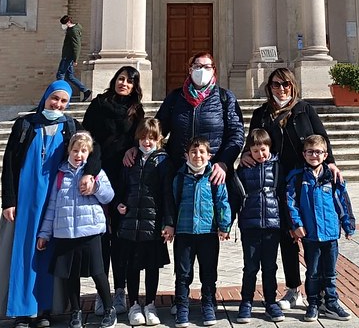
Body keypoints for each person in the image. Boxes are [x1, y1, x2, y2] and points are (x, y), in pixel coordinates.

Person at [241, 66, 342, 311]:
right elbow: (253, 140)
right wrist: (245, 154)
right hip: (276, 181)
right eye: (276, 84)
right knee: (288, 236)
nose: (281, 89)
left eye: (285, 84)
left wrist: (332, 163)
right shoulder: (261, 113)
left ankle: (318, 294)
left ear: (293, 85)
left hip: (304, 181)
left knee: (310, 236)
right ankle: (293, 289)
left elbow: (322, 137)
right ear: (269, 87)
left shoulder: (304, 109)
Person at [0, 81, 77, 328]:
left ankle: (46, 309)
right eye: (54, 99)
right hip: (25, 202)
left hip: (54, 200)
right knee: (23, 253)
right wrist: (9, 201)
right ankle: (23, 311)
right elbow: (10, 165)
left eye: (63, 101)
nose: (57, 104)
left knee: (49, 251)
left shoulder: (70, 126)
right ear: (45, 97)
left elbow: (86, 153)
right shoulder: (25, 125)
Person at [81, 66, 146, 315]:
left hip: (124, 180)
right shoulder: (98, 105)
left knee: (121, 238)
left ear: (134, 86)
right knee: (101, 237)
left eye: (129, 81)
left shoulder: (136, 110)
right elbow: (87, 138)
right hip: (99, 176)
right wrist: (91, 170)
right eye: (121, 79)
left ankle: (120, 291)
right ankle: (102, 291)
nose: (124, 84)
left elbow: (141, 139)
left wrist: (134, 149)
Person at [36, 132, 117, 328]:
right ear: (68, 151)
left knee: (98, 273)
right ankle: (76, 311)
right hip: (65, 233)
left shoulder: (95, 173)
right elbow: (53, 206)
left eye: (83, 151)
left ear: (89, 153)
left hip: (90, 232)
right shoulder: (60, 175)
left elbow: (109, 197)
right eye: (75, 150)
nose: (78, 154)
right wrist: (44, 233)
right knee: (70, 275)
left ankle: (109, 308)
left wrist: (95, 187)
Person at [285, 134, 356, 323]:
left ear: (325, 155)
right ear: (304, 154)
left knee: (331, 272)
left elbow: (342, 202)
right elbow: (291, 204)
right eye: (310, 152)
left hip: (331, 233)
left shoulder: (332, 177)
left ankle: (331, 302)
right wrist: (297, 225)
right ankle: (313, 303)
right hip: (311, 235)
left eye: (318, 152)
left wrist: (348, 224)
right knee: (313, 272)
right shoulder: (298, 178)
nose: (314, 155)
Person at [162, 137, 232, 328]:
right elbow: (172, 202)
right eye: (193, 152)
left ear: (209, 156)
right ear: (187, 155)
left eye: (202, 152)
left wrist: (224, 225)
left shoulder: (214, 178)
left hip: (208, 232)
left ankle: (208, 303)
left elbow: (222, 201)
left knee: (208, 271)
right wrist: (169, 225)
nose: (197, 155)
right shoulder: (180, 177)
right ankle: (182, 305)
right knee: (183, 272)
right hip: (184, 232)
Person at [153, 51, 244, 187]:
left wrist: (224, 163)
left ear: (214, 70)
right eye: (197, 66)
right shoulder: (175, 97)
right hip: (180, 173)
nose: (202, 70)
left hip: (213, 174)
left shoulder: (225, 98)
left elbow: (236, 134)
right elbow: (158, 130)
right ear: (190, 70)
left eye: (207, 67)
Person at [116, 118, 172, 327]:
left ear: (159, 139)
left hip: (153, 224)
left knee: (151, 267)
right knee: (131, 266)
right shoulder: (131, 159)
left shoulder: (164, 161)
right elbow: (123, 187)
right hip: (131, 222)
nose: (146, 142)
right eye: (143, 137)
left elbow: (168, 194)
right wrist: (120, 204)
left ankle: (150, 304)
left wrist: (168, 222)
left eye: (151, 138)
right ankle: (133, 305)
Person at [230, 129, 286, 324]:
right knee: (250, 266)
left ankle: (271, 302)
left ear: (269, 148)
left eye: (263, 149)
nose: (260, 154)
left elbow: (284, 195)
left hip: (272, 224)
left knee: (270, 267)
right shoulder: (244, 170)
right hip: (250, 224)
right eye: (255, 151)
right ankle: (246, 302)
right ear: (249, 152)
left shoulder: (278, 167)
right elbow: (235, 196)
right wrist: (227, 223)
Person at [57, 15, 91, 103]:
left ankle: (59, 94)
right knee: (70, 76)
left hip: (68, 57)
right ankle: (85, 90)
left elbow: (77, 45)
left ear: (68, 22)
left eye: (64, 24)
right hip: (68, 56)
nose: (63, 26)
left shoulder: (73, 31)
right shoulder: (70, 30)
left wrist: (76, 59)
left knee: (60, 74)